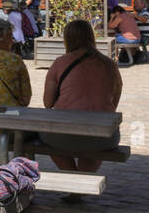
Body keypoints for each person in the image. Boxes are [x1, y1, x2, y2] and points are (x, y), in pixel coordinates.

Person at [42, 19, 123, 182]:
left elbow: (48, 103)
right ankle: (81, 181)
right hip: (103, 136)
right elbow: (114, 100)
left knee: (45, 138)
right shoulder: (109, 64)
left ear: (67, 38)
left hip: (64, 134)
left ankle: (74, 181)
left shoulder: (59, 63)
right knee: (95, 137)